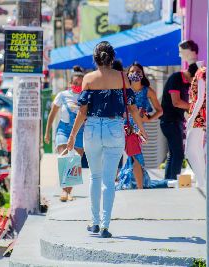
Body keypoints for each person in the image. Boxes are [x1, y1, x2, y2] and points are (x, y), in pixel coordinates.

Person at [67, 41, 147, 238]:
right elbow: (132, 108)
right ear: (112, 58)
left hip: (92, 128)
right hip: (114, 128)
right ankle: (105, 226)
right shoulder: (122, 78)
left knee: (94, 177)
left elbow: (82, 111)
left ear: (95, 58)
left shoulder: (88, 79)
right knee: (109, 180)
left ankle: (94, 223)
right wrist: (142, 129)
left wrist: (72, 137)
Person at [116, 62, 165, 190]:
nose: (135, 74)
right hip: (123, 126)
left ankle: (138, 186)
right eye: (132, 71)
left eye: (138, 71)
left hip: (138, 129)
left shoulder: (147, 91)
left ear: (142, 74)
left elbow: (160, 110)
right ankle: (136, 185)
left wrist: (149, 119)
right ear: (128, 74)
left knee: (135, 155)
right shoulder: (124, 90)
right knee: (132, 155)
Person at [44, 65, 85, 202]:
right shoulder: (62, 95)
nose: (77, 85)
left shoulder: (86, 96)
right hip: (63, 129)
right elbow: (52, 114)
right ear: (70, 83)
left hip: (80, 131)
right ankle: (64, 190)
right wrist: (47, 132)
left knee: (74, 161)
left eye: (80, 83)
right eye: (75, 83)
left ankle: (68, 191)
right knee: (64, 157)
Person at [160, 63, 198, 180]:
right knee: (178, 154)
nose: (195, 83)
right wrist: (193, 107)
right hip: (169, 121)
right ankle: (173, 182)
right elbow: (176, 102)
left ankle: (168, 182)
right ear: (192, 75)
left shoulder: (186, 83)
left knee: (173, 154)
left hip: (175, 121)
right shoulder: (176, 78)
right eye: (195, 80)